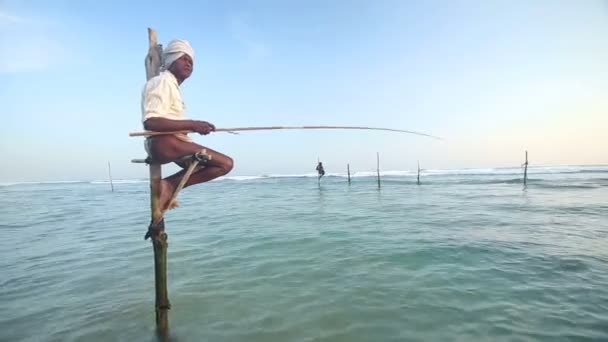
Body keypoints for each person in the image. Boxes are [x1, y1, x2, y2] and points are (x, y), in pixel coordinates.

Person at [141, 39, 234, 213]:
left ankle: (168, 187)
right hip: (164, 144)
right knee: (225, 164)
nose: (189, 63)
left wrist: (195, 127)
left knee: (202, 167)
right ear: (171, 60)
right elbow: (151, 122)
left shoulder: (172, 86)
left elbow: (169, 120)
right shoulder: (162, 82)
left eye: (191, 61)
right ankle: (169, 185)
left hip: (171, 143)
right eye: (183, 59)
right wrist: (193, 124)